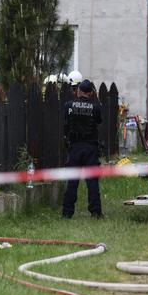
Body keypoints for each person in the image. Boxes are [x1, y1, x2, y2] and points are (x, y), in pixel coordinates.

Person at [61, 79, 103, 219]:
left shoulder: (68, 106)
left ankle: (67, 212)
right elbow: (98, 121)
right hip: (90, 147)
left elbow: (66, 122)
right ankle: (95, 212)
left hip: (75, 147)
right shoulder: (95, 107)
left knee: (72, 181)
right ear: (91, 92)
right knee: (92, 181)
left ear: (78, 91)